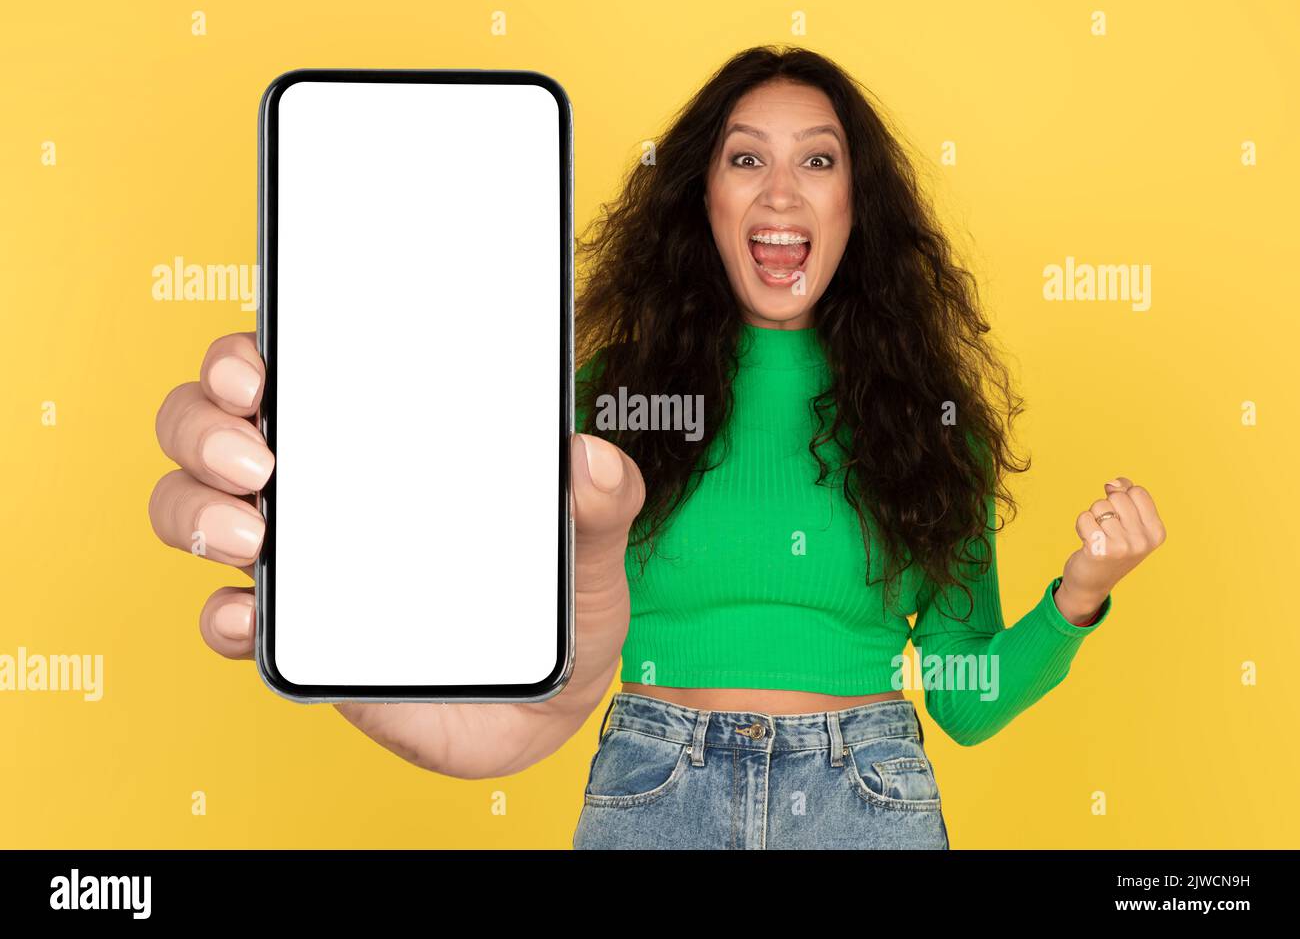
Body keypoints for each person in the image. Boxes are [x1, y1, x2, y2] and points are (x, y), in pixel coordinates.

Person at [149, 45, 1165, 849]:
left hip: (869, 791)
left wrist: (1078, 592)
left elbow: (963, 700)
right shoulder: (608, 397)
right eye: (744, 158)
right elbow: (504, 600)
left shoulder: (935, 420)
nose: (781, 192)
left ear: (859, 203)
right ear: (703, 199)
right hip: (654, 777)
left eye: (818, 159)